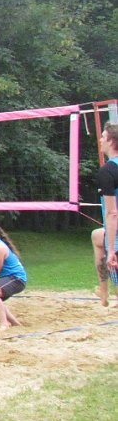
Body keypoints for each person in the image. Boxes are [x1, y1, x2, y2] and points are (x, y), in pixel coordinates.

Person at [94, 122, 118, 307]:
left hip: (116, 232)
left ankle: (105, 290)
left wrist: (111, 250)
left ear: (111, 141)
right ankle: (104, 290)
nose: (100, 140)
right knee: (96, 237)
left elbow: (112, 213)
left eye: (103, 136)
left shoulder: (108, 170)